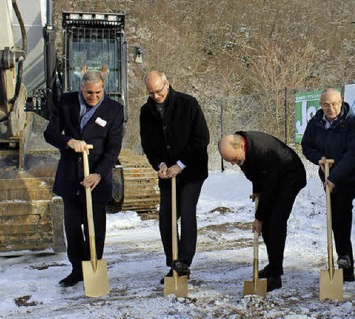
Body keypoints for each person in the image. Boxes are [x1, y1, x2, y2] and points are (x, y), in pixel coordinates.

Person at [44, 70, 124, 287]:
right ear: (81, 88)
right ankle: (76, 270)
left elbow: (113, 148)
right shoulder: (66, 102)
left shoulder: (114, 109)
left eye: (99, 92)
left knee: (95, 229)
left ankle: (93, 267)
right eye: (89, 92)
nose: (94, 97)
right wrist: (69, 141)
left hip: (97, 177)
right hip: (70, 175)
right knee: (72, 227)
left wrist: (99, 174)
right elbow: (50, 133)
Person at [139, 71, 210, 284]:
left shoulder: (188, 104)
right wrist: (160, 164)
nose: (156, 96)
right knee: (166, 220)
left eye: (159, 91)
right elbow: (148, 145)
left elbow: (201, 138)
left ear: (167, 84)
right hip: (166, 172)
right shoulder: (146, 111)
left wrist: (179, 165)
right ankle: (173, 263)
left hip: (192, 170)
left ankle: (184, 262)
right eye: (151, 93)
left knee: (187, 212)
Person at [218, 131, 307, 291]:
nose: (232, 163)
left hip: (290, 176)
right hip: (274, 177)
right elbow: (256, 175)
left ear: (241, 146)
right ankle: (274, 266)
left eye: (233, 159)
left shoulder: (261, 151)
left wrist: (258, 217)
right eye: (229, 160)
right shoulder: (244, 151)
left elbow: (269, 187)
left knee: (275, 222)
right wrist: (256, 189)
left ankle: (275, 275)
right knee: (267, 225)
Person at [300, 88, 355, 282]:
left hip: (351, 175)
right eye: (326, 104)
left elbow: (353, 154)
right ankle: (345, 263)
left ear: (341, 102)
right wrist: (318, 159)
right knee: (335, 212)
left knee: (341, 207)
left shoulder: (352, 122)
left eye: (335, 104)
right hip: (328, 174)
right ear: (321, 105)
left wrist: (334, 178)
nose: (331, 108)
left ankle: (345, 258)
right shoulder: (315, 123)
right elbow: (307, 146)